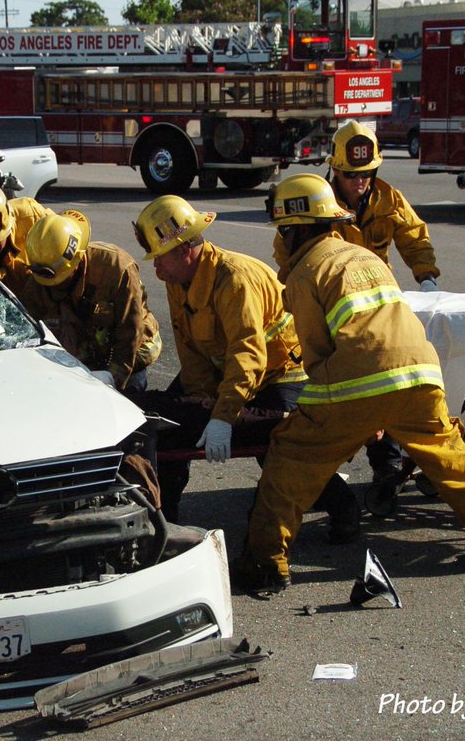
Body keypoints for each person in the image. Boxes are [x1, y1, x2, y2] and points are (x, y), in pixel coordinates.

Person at [232, 175, 465, 593]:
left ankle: (265, 563)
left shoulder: (304, 272)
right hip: (421, 375)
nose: (277, 244)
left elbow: (317, 356)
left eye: (281, 233)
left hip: (357, 380)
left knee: (290, 460)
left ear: (294, 228)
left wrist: (339, 420)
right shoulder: (365, 257)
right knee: (451, 458)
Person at [132, 194, 358, 532]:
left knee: (277, 444)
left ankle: (342, 506)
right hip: (232, 372)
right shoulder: (179, 279)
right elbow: (191, 353)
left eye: (159, 257)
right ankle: (167, 521)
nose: (155, 267)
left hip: (282, 374)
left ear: (184, 250)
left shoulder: (233, 279)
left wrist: (223, 417)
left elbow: (248, 354)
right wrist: (199, 404)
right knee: (169, 429)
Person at [324, 121, 442, 491]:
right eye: (351, 175)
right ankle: (326, 463)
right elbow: (291, 256)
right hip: (331, 310)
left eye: (366, 174)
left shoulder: (387, 198)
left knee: (387, 382)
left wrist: (427, 275)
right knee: (333, 388)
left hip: (378, 308)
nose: (360, 182)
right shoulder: (317, 202)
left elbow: (413, 236)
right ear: (336, 171)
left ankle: (387, 461)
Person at [22, 209, 162, 395]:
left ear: (78, 258)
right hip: (83, 355)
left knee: (128, 403)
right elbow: (29, 335)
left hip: (131, 353)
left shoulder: (116, 269)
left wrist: (112, 384)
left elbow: (129, 335)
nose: (55, 286)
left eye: (62, 279)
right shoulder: (38, 281)